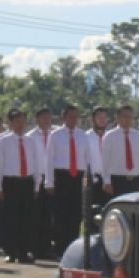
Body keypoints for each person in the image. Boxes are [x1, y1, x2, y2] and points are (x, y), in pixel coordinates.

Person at [0, 108, 44, 265]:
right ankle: (10, 252)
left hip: (27, 182)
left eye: (23, 121)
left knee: (26, 219)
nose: (20, 124)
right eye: (17, 121)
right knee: (11, 218)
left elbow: (37, 164)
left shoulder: (31, 141)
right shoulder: (3, 141)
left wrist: (37, 186)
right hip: (11, 182)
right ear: (10, 123)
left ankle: (24, 251)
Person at [47, 105, 92, 253]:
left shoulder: (82, 135)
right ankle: (60, 248)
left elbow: (87, 158)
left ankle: (73, 247)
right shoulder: (55, 135)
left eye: (76, 116)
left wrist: (87, 178)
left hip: (77, 176)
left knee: (76, 214)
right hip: (61, 176)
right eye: (70, 116)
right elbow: (49, 160)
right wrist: (49, 181)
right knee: (61, 214)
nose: (73, 119)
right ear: (64, 118)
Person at [102, 105, 139, 195]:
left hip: (136, 180)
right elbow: (105, 161)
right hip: (117, 180)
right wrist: (106, 181)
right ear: (117, 118)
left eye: (130, 117)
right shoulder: (109, 136)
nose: (128, 119)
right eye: (125, 116)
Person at [29, 108, 56, 260]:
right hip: (37, 178)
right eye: (43, 118)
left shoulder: (56, 134)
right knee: (36, 214)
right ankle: (35, 247)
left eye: (48, 118)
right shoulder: (30, 137)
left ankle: (47, 247)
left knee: (50, 215)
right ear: (37, 119)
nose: (46, 121)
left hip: (52, 178)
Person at [87, 107, 111, 208]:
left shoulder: (112, 136)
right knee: (93, 210)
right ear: (93, 119)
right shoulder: (86, 137)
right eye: (99, 117)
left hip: (110, 180)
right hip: (94, 180)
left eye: (104, 117)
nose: (102, 120)